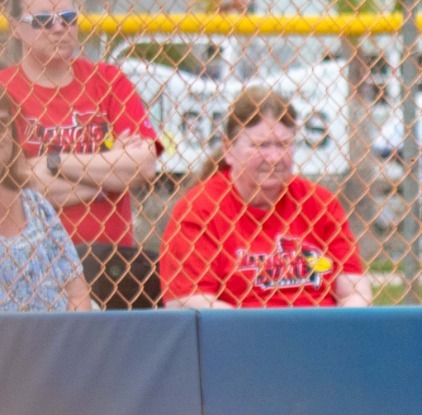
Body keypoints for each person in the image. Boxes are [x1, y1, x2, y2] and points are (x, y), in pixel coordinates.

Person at [1, 0, 161, 308]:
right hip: (38, 270)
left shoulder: (108, 80)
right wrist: (111, 177)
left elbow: (143, 166)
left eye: (68, 17)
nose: (59, 28)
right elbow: (21, 187)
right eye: (44, 20)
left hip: (113, 265)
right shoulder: (4, 91)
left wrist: (54, 163)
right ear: (16, 28)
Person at [158, 87, 368, 309]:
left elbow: (354, 291)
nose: (275, 157)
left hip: (320, 335)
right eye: (261, 145)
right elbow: (189, 302)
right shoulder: (199, 209)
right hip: (241, 337)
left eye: (283, 144)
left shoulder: (319, 203)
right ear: (228, 148)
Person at [0, 87, 89, 310]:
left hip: (58, 340)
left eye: (2, 124)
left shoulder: (35, 204)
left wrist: (68, 343)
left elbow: (78, 295)